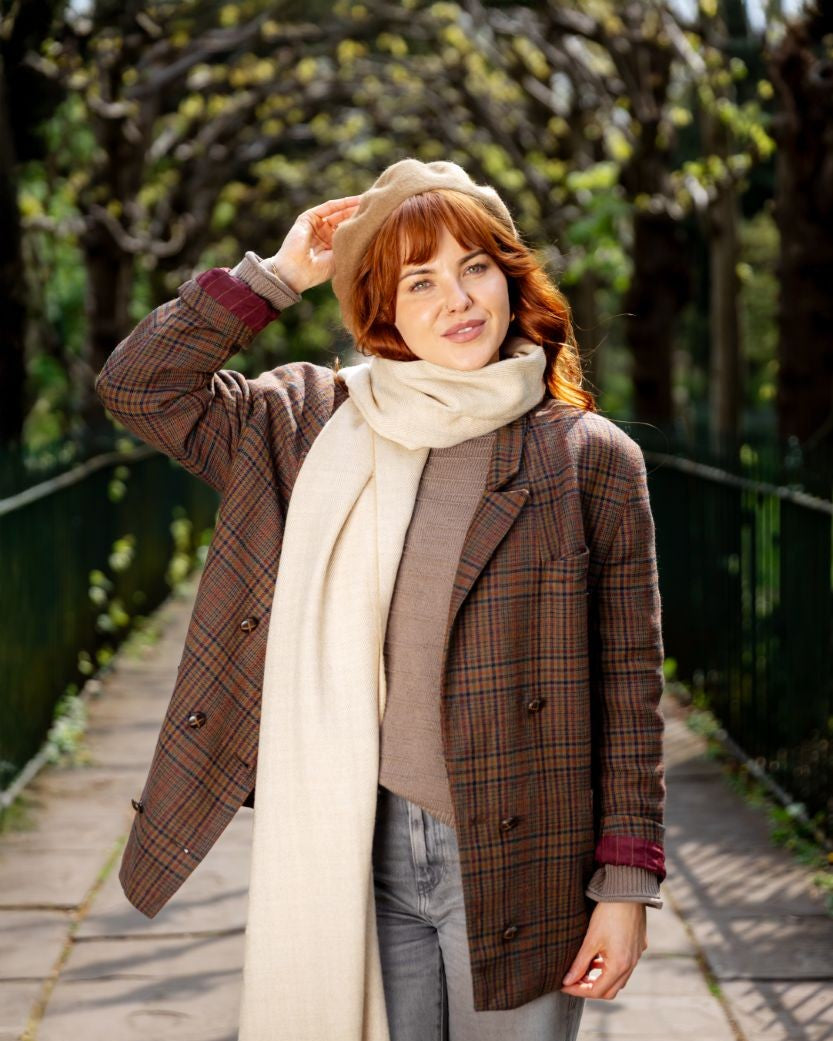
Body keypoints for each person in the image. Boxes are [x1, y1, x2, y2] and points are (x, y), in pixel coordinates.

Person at [95, 158, 666, 1041]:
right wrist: (277, 276)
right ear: (383, 312)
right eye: (420, 279)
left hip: (524, 850)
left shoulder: (587, 458)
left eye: (475, 266)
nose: (457, 300)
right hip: (353, 848)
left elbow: (629, 690)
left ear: (511, 280)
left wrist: (624, 888)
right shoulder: (301, 425)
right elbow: (139, 387)